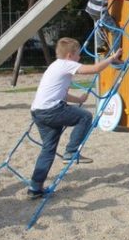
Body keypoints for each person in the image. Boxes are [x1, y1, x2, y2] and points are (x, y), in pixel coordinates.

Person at [27, 38, 122, 199]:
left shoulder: (54, 65)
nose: (79, 57)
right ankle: (71, 152)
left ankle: (35, 187)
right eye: (78, 55)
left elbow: (61, 93)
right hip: (51, 110)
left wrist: (78, 100)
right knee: (85, 116)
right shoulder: (66, 64)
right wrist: (112, 58)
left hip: (38, 111)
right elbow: (95, 69)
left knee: (48, 149)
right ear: (70, 55)